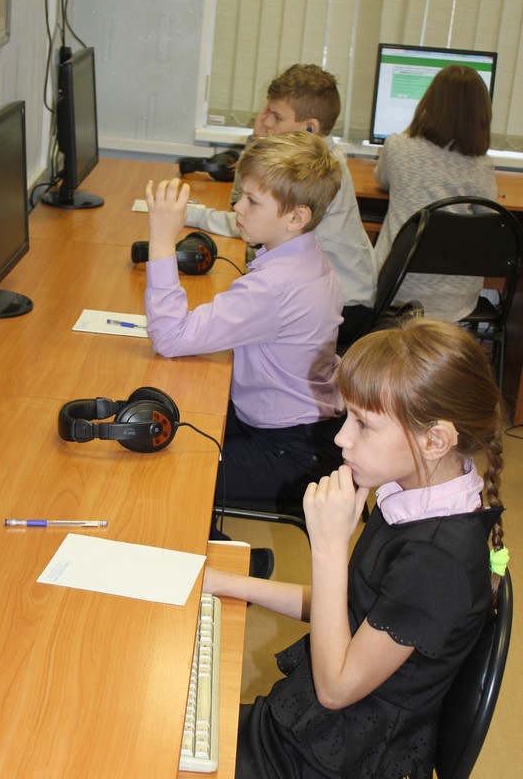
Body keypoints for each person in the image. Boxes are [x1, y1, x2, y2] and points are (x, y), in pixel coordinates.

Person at [200, 318, 508, 779]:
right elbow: (350, 609)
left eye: (363, 424)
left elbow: (335, 688)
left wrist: (327, 546)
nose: (341, 438)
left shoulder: (437, 563)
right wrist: (223, 583)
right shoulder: (414, 494)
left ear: (435, 439)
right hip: (295, 742)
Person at [145, 131, 345, 569]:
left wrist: (161, 241)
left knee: (165, 468)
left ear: (296, 217)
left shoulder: (273, 286)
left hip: (290, 451)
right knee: (175, 425)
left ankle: (241, 566)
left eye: (252, 201)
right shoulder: (308, 258)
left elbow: (169, 337)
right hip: (310, 428)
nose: (237, 206)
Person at [184, 64, 377, 347]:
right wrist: (257, 140)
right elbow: (240, 202)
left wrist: (191, 215)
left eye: (276, 117)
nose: (267, 123)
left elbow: (246, 221)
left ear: (310, 128)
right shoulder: (311, 159)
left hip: (344, 307)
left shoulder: (317, 173)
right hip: (323, 295)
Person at [373, 64, 498, 322]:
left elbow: (382, 180)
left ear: (429, 103)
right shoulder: (481, 165)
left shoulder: (397, 146)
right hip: (455, 299)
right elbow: (489, 217)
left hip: (395, 286)